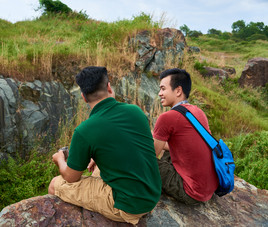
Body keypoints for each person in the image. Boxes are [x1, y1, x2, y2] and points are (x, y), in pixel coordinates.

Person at [48, 66, 161, 225]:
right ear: (109, 87)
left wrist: (59, 159)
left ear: (84, 97)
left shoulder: (84, 130)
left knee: (55, 184)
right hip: (152, 195)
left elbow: (71, 178)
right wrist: (96, 157)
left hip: (128, 206)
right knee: (97, 169)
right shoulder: (135, 111)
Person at [152, 68, 218, 205]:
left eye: (163, 89)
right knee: (168, 151)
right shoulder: (197, 112)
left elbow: (149, 156)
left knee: (140, 159)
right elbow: (184, 147)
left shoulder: (167, 117)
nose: (160, 93)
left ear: (178, 91)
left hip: (191, 192)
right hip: (208, 189)